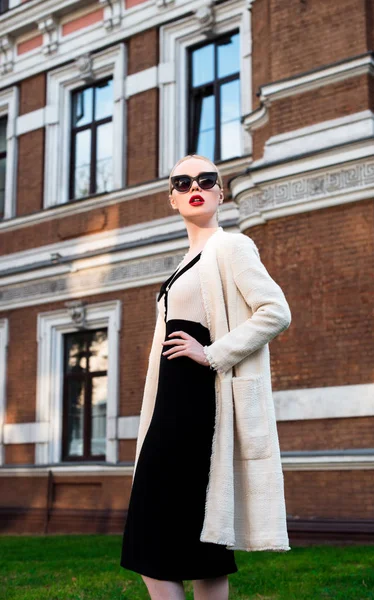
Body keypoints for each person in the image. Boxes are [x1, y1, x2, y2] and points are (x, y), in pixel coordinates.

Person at [120, 154, 292, 600]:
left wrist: (212, 353)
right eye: (182, 181)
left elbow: (276, 312)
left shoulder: (232, 246)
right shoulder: (183, 262)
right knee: (158, 544)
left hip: (199, 413)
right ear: (172, 199)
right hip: (170, 411)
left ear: (220, 191)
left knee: (193, 548)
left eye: (206, 178)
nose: (194, 185)